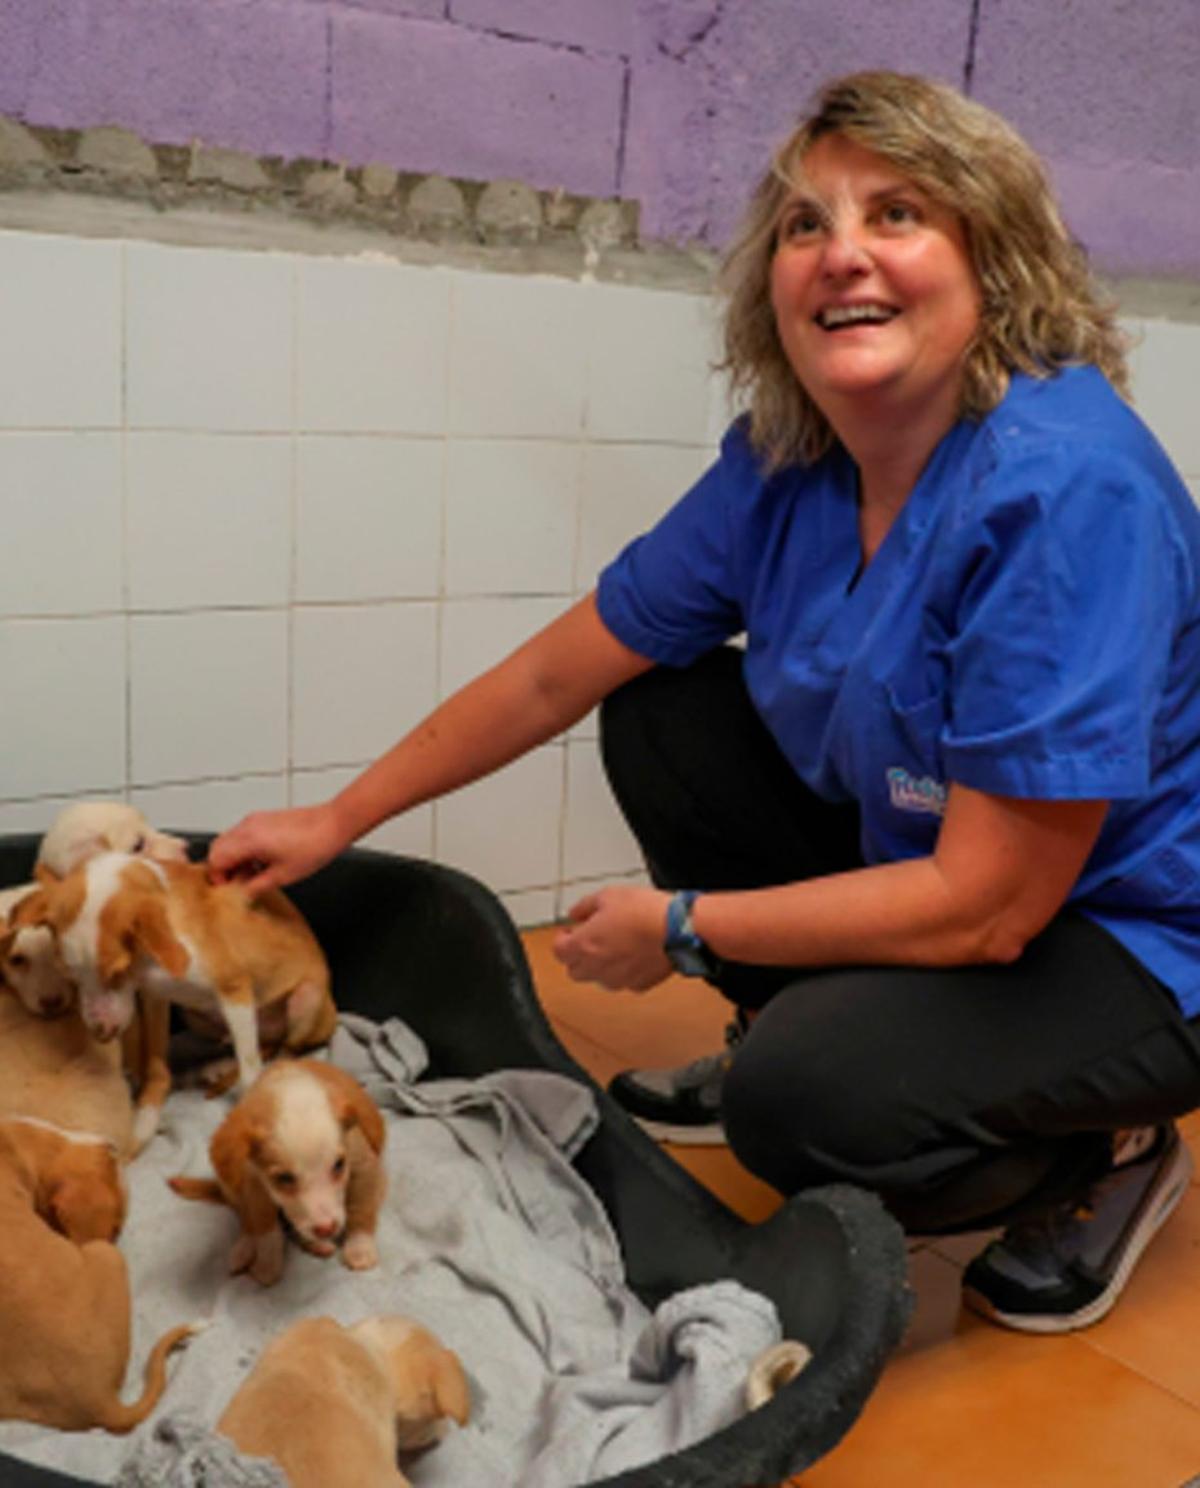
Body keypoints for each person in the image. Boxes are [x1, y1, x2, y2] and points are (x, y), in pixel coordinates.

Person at [209, 70, 1200, 1335]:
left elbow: (992, 905)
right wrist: (340, 818)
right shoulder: (790, 461)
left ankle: (1102, 1155)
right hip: (952, 865)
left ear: (991, 258)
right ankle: (811, 1025)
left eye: (896, 214)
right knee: (665, 710)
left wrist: (683, 926)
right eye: (804, 225)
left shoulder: (1064, 494)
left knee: (802, 1106)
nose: (841, 254)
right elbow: (560, 670)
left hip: (1137, 937)